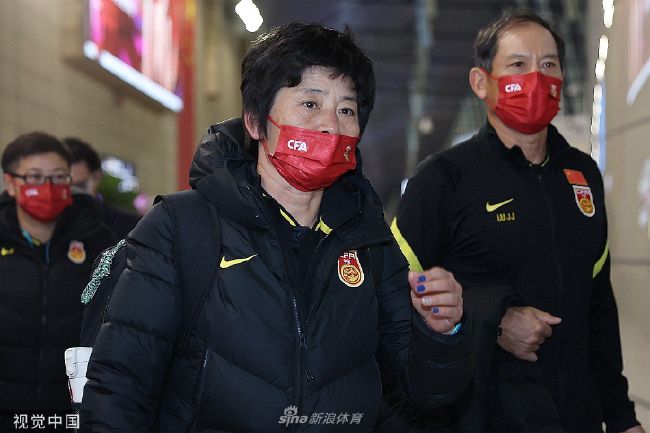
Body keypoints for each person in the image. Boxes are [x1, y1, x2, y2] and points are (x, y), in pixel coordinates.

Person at [80, 22, 471, 432]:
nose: (330, 126)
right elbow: (119, 389)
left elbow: (425, 389)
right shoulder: (182, 228)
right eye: (309, 104)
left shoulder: (369, 241)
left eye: (347, 110)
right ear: (254, 121)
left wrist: (442, 328)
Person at [391, 8, 645, 433]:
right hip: (483, 414)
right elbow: (394, 290)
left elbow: (598, 303)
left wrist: (621, 417)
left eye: (548, 64)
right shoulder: (444, 179)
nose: (536, 77)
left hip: (575, 414)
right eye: (518, 65)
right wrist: (491, 319)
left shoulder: (582, 175)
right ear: (480, 82)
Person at [0, 133, 115, 416]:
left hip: (72, 411)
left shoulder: (99, 243)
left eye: (58, 177)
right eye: (35, 177)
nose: (48, 187)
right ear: (10, 183)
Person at [63, 137, 140, 239]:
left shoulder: (128, 227)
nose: (71, 194)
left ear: (96, 178)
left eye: (79, 186)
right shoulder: (44, 228)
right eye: (62, 186)